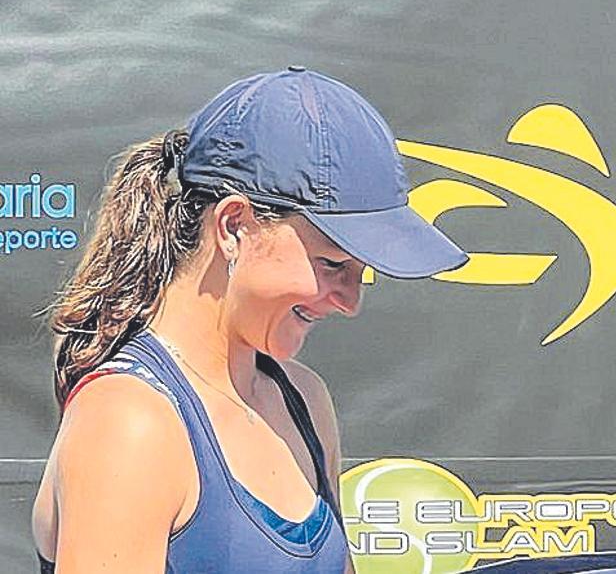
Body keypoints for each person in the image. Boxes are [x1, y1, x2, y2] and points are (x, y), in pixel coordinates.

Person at [31, 67, 467, 573]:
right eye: (332, 264)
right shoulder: (131, 423)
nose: (350, 301)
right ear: (234, 226)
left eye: (360, 272)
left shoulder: (304, 401)